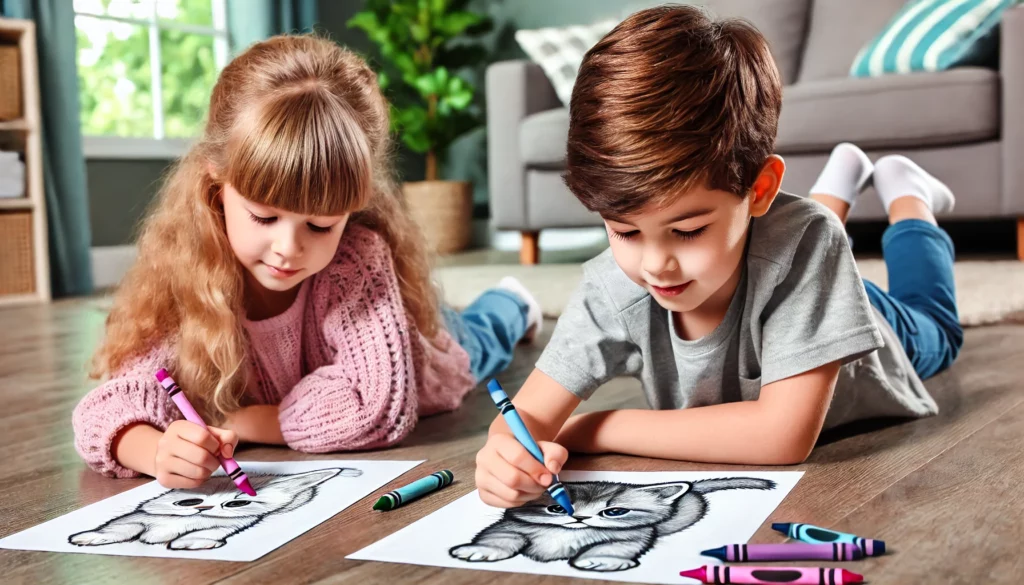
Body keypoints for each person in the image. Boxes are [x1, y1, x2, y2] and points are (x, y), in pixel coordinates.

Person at [473, 5, 963, 508]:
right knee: (800, 232)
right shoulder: (614, 288)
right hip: (778, 257)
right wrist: (503, 457)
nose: (654, 265)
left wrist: (595, 427)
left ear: (760, 189)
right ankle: (838, 181)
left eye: (686, 231)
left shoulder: (809, 245)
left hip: (874, 324)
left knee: (936, 328)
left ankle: (909, 196)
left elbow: (781, 436)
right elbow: (520, 420)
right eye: (624, 231)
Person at [73, 35, 543, 489]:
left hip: (414, 350)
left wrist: (247, 420)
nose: (288, 248)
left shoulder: (357, 260)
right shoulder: (190, 266)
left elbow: (376, 409)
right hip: (348, 360)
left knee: (475, 340)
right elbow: (109, 409)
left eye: (320, 226)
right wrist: (154, 451)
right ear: (216, 183)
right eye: (264, 216)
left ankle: (513, 300)